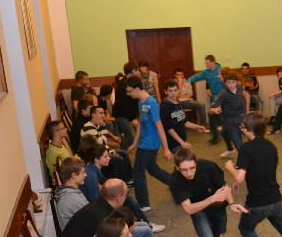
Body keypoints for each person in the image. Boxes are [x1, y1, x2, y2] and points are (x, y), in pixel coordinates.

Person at [126, 77, 172, 211]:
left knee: (138, 171)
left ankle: (143, 204)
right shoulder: (140, 102)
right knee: (153, 169)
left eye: (129, 91)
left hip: (150, 144)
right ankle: (177, 184)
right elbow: (141, 123)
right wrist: (135, 143)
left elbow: (160, 126)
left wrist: (166, 148)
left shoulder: (151, 103)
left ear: (137, 89)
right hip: (144, 142)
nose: (128, 94)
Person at [80, 105, 133, 183]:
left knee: (124, 153)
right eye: (100, 113)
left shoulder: (98, 125)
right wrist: (111, 152)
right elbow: (100, 143)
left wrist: (111, 151)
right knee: (118, 159)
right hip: (93, 155)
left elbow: (103, 144)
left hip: (100, 152)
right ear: (93, 115)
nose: (103, 115)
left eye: (103, 113)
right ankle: (119, 183)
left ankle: (129, 179)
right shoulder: (88, 127)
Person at [160, 79, 207, 153]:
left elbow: (184, 122)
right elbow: (169, 129)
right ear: (165, 91)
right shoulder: (164, 107)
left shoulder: (177, 103)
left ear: (178, 90)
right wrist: (182, 143)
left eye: (175, 90)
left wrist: (197, 127)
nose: (173, 93)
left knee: (187, 159)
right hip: (174, 144)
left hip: (181, 141)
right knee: (188, 158)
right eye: (170, 91)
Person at [210, 70, 248, 158]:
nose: (231, 85)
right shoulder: (223, 93)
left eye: (233, 82)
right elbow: (212, 108)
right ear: (225, 83)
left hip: (240, 119)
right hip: (229, 121)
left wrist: (246, 112)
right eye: (228, 83)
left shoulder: (239, 88)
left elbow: (244, 98)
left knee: (237, 140)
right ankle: (230, 149)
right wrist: (213, 109)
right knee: (224, 133)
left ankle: (247, 159)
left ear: (236, 82)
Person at [186, 55, 224, 144]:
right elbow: (197, 77)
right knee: (212, 116)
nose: (206, 65)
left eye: (207, 63)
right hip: (214, 97)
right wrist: (189, 81)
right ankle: (216, 136)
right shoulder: (206, 72)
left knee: (217, 116)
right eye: (205, 63)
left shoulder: (220, 71)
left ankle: (221, 134)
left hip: (222, 96)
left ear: (213, 62)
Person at [54, 157, 88, 230]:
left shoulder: (71, 193)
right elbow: (90, 221)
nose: (86, 175)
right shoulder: (72, 198)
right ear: (73, 175)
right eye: (83, 172)